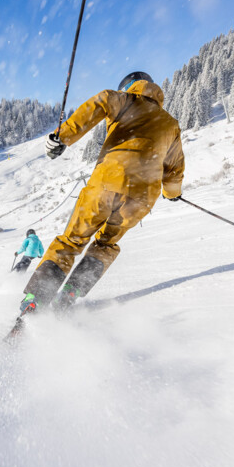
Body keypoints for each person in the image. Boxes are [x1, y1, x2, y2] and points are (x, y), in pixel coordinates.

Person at [19, 71, 185, 315]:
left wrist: (62, 137)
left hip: (107, 184)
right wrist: (172, 193)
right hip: (141, 198)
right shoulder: (170, 123)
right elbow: (175, 167)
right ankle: (70, 293)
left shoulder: (126, 99)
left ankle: (37, 299)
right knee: (105, 245)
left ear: (129, 86)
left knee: (72, 240)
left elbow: (103, 100)